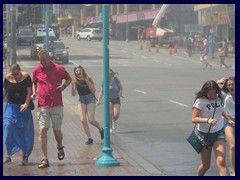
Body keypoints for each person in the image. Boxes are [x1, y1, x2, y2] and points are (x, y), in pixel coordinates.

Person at [31, 49, 72, 168]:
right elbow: (34, 82)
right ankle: (45, 159)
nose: (42, 62)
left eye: (44, 60)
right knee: (42, 130)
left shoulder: (59, 68)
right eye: (40, 61)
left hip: (57, 104)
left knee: (56, 131)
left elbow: (69, 78)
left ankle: (59, 145)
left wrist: (63, 86)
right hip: (43, 105)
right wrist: (34, 93)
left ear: (49, 58)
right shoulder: (37, 70)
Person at [192, 80, 234, 176]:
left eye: (214, 94)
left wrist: (229, 119)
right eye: (209, 94)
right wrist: (207, 120)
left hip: (218, 133)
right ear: (205, 92)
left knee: (221, 161)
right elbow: (194, 119)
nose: (212, 96)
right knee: (206, 165)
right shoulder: (200, 101)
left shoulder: (220, 98)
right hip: (204, 135)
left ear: (217, 92)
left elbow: (221, 111)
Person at [3, 64, 34, 165]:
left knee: (22, 131)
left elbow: (29, 92)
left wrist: (26, 104)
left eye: (17, 74)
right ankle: (8, 155)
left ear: (20, 71)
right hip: (11, 107)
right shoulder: (8, 77)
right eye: (13, 74)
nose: (15, 76)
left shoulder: (26, 77)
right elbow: (4, 91)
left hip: (23, 108)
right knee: (7, 127)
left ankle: (24, 155)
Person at [71, 65, 104, 145]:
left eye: (80, 70)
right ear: (75, 73)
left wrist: (87, 82)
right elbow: (73, 94)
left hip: (90, 98)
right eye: (77, 71)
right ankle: (90, 138)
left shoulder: (88, 78)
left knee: (91, 120)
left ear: (83, 71)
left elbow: (93, 90)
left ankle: (101, 129)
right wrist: (73, 85)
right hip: (81, 99)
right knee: (83, 120)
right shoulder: (74, 80)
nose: (78, 72)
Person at [217, 77, 235, 176]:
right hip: (228, 120)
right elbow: (209, 89)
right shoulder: (224, 95)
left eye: (232, 84)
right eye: (229, 85)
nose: (231, 87)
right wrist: (219, 81)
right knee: (233, 145)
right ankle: (234, 170)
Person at [96, 69, 123, 133]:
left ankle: (114, 121)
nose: (110, 75)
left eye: (111, 74)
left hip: (116, 98)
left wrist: (120, 92)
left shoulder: (116, 80)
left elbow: (121, 87)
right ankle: (110, 127)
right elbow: (101, 91)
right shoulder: (105, 81)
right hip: (108, 99)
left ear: (112, 74)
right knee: (110, 113)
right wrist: (98, 100)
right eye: (108, 74)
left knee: (116, 115)